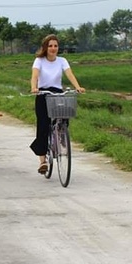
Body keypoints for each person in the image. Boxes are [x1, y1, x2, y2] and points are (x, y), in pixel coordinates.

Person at [29, 34, 85, 174]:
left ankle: (61, 135)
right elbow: (34, 76)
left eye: (55, 46)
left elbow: (70, 74)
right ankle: (43, 162)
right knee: (42, 126)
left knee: (64, 116)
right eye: (50, 46)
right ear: (45, 47)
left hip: (57, 93)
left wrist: (77, 86)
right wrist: (34, 87)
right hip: (42, 94)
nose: (53, 48)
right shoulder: (39, 60)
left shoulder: (62, 61)